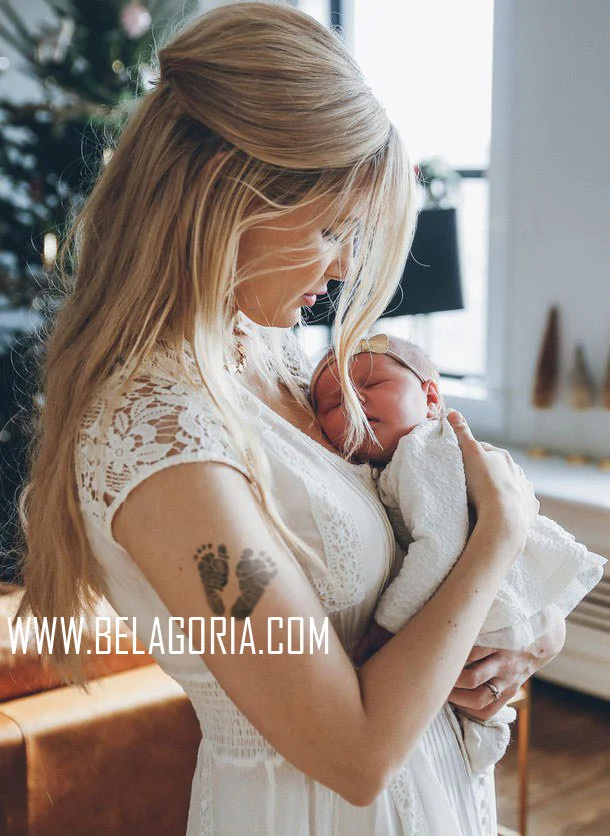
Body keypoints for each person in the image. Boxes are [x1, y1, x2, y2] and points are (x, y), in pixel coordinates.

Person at [14, 3, 566, 834]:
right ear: (229, 191)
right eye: (331, 228)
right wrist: (497, 539)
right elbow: (352, 752)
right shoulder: (161, 447)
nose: (344, 267)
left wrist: (520, 643)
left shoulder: (270, 357)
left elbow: (415, 560)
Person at [310, 332, 606, 773]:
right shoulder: (395, 462)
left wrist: (386, 628)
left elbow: (441, 547)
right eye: (332, 405)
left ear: (431, 397)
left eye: (369, 385)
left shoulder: (424, 450)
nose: (352, 402)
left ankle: (483, 737)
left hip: (490, 599)